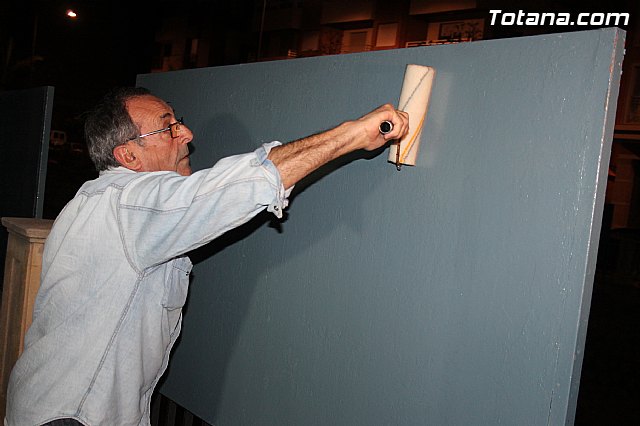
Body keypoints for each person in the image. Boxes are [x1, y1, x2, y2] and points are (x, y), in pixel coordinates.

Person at [5, 87, 409, 425]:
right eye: (168, 127)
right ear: (128, 156)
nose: (187, 133)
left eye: (178, 121)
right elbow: (241, 185)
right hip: (72, 417)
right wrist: (354, 134)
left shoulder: (95, 201)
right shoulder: (130, 204)